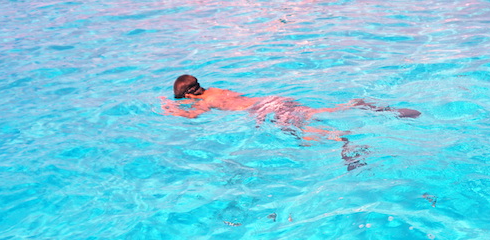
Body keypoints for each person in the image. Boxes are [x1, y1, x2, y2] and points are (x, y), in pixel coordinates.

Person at [162, 74, 419, 169]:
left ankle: (343, 140)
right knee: (317, 112)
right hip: (275, 99)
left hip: (268, 109)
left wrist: (167, 109)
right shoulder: (217, 90)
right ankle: (354, 105)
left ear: (186, 95)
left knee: (305, 137)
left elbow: (192, 116)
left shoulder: (205, 102)